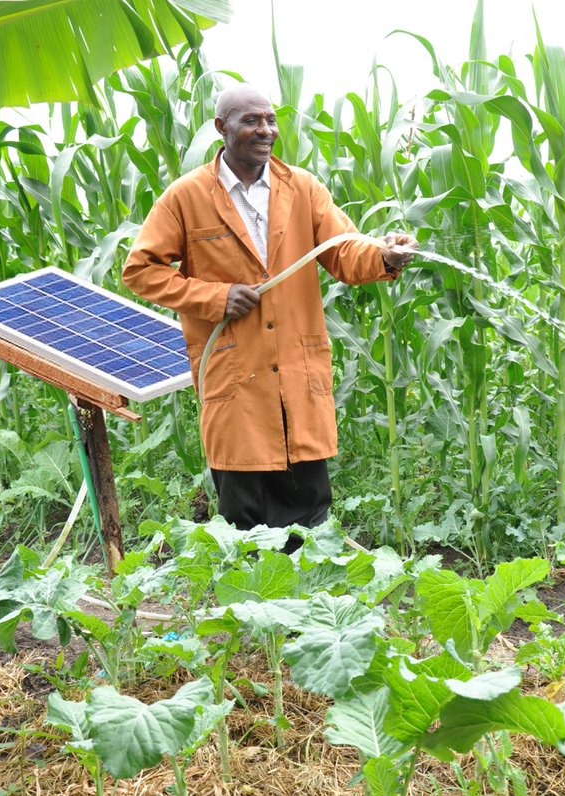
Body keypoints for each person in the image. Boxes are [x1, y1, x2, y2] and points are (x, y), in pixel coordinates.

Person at [122, 85, 416, 542]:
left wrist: (386, 256)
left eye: (271, 121)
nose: (266, 131)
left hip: (298, 380)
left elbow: (345, 253)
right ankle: (248, 612)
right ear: (222, 129)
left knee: (309, 523)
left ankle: (308, 612)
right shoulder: (186, 197)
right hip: (236, 382)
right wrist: (215, 298)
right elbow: (140, 270)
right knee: (244, 526)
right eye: (251, 121)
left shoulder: (302, 189)